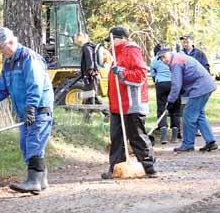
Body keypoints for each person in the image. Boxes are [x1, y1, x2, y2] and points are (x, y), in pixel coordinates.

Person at [0, 27, 54, 194]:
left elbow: (35, 85)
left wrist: (31, 107)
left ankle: (33, 181)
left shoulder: (29, 58)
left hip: (38, 109)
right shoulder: (9, 63)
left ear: (10, 42)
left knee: (34, 143)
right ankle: (41, 180)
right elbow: (1, 87)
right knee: (26, 145)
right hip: (24, 112)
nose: (0, 52)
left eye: (0, 48)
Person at [101, 26, 156, 179]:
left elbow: (140, 75)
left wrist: (123, 73)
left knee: (136, 136)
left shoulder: (131, 50)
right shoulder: (115, 55)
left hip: (132, 103)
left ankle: (149, 167)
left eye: (112, 40)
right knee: (117, 138)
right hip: (117, 105)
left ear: (121, 38)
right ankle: (116, 169)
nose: (110, 44)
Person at [158, 48, 218, 152]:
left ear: (170, 53)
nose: (163, 60)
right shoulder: (178, 58)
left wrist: (171, 101)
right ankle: (210, 141)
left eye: (164, 56)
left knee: (188, 114)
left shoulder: (176, 62)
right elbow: (181, 81)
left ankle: (188, 144)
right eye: (160, 58)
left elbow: (176, 84)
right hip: (206, 85)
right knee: (199, 115)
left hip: (200, 88)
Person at [73, 32, 109, 121]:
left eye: (75, 38)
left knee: (92, 96)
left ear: (80, 38)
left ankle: (107, 113)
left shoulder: (86, 47)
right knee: (87, 98)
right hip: (89, 76)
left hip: (90, 77)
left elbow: (90, 60)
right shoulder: (88, 47)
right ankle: (86, 119)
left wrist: (90, 71)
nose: (74, 40)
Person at [150, 44, 181, 144]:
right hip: (173, 83)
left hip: (161, 84)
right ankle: (174, 137)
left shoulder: (155, 60)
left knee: (161, 107)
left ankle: (163, 137)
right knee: (175, 108)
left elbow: (153, 74)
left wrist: (157, 80)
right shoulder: (174, 58)